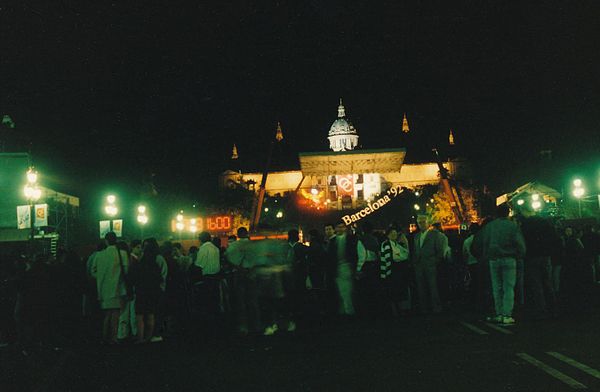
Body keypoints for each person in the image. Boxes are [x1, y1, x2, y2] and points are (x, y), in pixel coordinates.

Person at [472, 204, 526, 326]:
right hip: (509, 258)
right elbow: (520, 245)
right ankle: (507, 314)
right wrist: (519, 254)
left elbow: (482, 242)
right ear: (508, 213)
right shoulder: (513, 226)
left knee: (497, 287)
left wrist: (486, 255)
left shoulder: (490, 227)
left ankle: (499, 313)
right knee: (508, 287)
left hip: (493, 259)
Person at [518, 205, 558, 318]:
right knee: (548, 282)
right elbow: (554, 237)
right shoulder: (544, 222)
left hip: (532, 256)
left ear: (525, 211)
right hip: (545, 255)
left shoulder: (525, 224)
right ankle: (552, 306)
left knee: (536, 283)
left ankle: (541, 308)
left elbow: (522, 241)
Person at [91, 232, 129, 345]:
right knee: (116, 315)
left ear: (106, 241)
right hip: (118, 288)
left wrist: (101, 277)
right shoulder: (122, 254)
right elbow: (126, 271)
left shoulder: (99, 255)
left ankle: (104, 337)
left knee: (106, 315)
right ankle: (114, 337)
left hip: (103, 289)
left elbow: (93, 271)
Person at [224, 227, 260, 335]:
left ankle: (243, 326)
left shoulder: (234, 245)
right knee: (253, 299)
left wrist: (238, 267)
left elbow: (228, 259)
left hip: (239, 273)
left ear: (238, 235)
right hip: (252, 273)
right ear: (247, 233)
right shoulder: (253, 245)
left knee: (241, 300)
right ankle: (256, 324)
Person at [129, 238, 163, 344]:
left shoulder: (139, 265)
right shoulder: (155, 264)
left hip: (141, 292)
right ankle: (148, 337)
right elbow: (160, 278)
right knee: (150, 314)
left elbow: (133, 278)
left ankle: (140, 338)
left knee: (139, 316)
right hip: (153, 292)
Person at [412, 215, 446, 314]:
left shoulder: (435, 234)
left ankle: (436, 308)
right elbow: (415, 250)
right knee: (421, 288)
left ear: (428, 223)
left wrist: (435, 261)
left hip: (431, 265)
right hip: (419, 265)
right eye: (419, 222)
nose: (421, 224)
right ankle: (424, 308)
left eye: (423, 222)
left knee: (433, 287)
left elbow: (440, 250)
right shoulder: (417, 236)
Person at [327, 222, 357, 317]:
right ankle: (347, 310)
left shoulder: (334, 241)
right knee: (345, 290)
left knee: (344, 290)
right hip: (343, 267)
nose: (340, 229)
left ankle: (346, 310)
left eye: (341, 227)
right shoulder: (349, 239)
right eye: (338, 227)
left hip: (343, 267)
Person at [380, 227, 411, 317]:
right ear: (388, 235)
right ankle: (397, 311)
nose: (394, 235)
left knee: (397, 291)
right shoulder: (387, 244)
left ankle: (398, 311)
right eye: (392, 233)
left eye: (395, 233)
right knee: (394, 291)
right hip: (392, 271)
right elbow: (387, 260)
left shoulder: (396, 244)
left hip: (396, 270)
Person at [356, 222, 380, 317]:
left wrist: (358, 269)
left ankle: (368, 312)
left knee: (366, 291)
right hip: (375, 266)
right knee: (374, 290)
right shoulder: (375, 239)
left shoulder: (361, 240)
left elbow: (362, 256)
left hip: (366, 267)